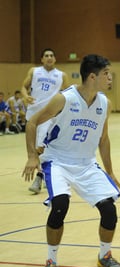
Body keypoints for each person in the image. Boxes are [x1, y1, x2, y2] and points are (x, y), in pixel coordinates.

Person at [22, 54, 120, 267]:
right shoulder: (64, 99)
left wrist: (110, 172)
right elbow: (31, 122)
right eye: (106, 73)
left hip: (86, 164)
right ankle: (51, 260)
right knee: (60, 205)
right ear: (91, 76)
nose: (109, 77)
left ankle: (104, 256)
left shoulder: (105, 103)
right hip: (57, 161)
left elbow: (103, 140)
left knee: (109, 210)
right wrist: (32, 156)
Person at [21, 48, 69, 194]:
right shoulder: (34, 71)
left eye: (52, 55)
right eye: (46, 56)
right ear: (42, 59)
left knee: (41, 147)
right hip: (33, 114)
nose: (49, 58)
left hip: (49, 116)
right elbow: (24, 86)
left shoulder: (61, 75)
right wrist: (24, 96)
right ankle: (47, 175)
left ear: (55, 59)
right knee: (34, 148)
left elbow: (68, 94)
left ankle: (40, 178)